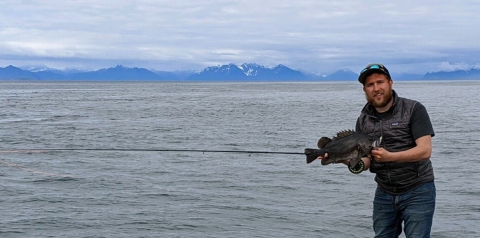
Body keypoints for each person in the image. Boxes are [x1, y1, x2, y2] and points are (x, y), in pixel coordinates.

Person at [318, 63, 436, 238]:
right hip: (384, 193)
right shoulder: (363, 120)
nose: (376, 88)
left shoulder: (414, 109)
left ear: (390, 83)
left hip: (418, 190)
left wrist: (390, 157)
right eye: (370, 85)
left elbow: (425, 150)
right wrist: (344, 160)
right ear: (364, 90)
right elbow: (365, 163)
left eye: (380, 82)